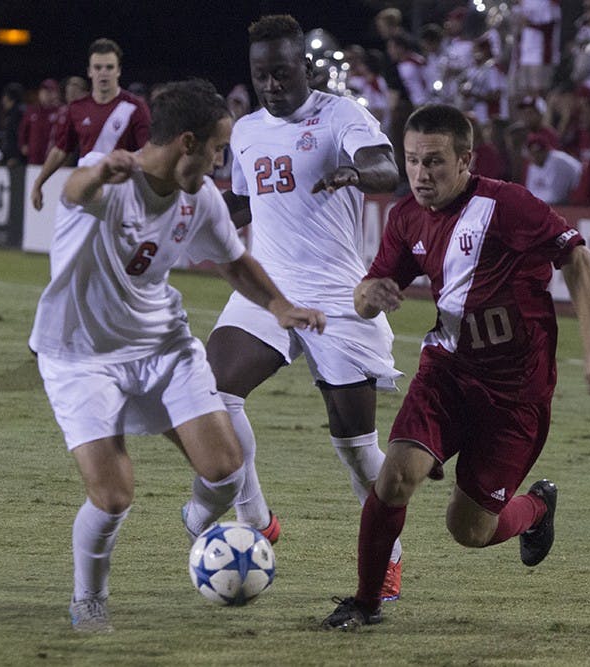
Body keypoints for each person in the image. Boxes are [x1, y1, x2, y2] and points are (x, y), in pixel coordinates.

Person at [28, 78, 326, 633]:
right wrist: (99, 172)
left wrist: (280, 306)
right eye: (217, 149)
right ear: (187, 143)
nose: (221, 161)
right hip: (81, 356)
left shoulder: (200, 198)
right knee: (113, 497)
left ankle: (196, 520)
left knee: (226, 470)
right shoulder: (109, 176)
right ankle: (89, 599)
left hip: (163, 345)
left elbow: (234, 262)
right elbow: (73, 191)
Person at [322, 103, 590, 631]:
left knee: (470, 530)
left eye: (434, 162)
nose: (420, 174)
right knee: (395, 477)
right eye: (412, 161)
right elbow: (364, 296)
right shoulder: (405, 218)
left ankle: (535, 509)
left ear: (466, 160)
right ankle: (365, 603)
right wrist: (370, 294)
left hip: (516, 392)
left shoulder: (508, 205)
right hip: (448, 373)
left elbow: (576, 258)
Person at [199, 14, 405, 598]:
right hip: (268, 289)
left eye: (282, 73)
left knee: (357, 446)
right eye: (261, 75)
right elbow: (242, 205)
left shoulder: (341, 114)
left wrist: (352, 170)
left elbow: (387, 169)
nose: (271, 86)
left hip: (340, 297)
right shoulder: (244, 131)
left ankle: (388, 552)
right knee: (215, 389)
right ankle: (257, 521)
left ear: (305, 68)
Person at [30, 38, 151, 211]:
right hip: (86, 189)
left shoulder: (135, 107)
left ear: (118, 71)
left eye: (109, 67)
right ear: (89, 72)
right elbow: (61, 149)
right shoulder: (77, 108)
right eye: (98, 67)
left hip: (120, 194)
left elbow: (147, 152)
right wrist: (39, 183)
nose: (104, 72)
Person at [523, 131, 582, 204]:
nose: (536, 155)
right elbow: (531, 192)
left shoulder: (559, 161)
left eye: (539, 152)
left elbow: (557, 197)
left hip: (580, 192)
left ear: (546, 150)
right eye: (533, 153)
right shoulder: (532, 164)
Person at [18, 79, 61, 165]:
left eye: (49, 91)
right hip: (34, 156)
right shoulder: (32, 110)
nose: (46, 94)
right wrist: (23, 144)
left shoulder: (60, 112)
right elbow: (23, 129)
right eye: (43, 91)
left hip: (52, 155)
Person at [0, 82, 25, 166]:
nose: (3, 100)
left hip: (16, 161)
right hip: (10, 158)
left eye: (4, 96)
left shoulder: (18, 114)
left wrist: (16, 157)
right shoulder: (11, 113)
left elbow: (19, 137)